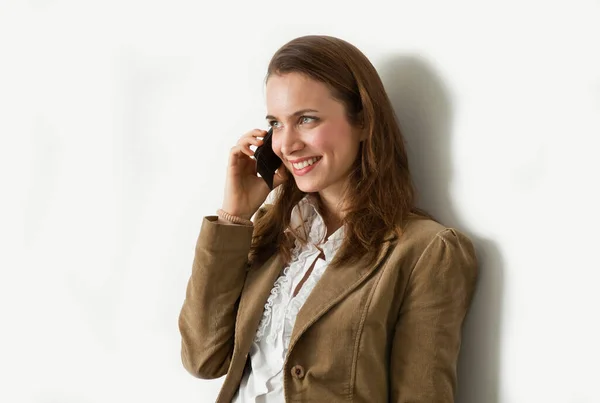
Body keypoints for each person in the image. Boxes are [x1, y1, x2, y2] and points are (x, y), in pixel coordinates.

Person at [178, 35, 478, 403]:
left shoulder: (426, 252)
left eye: (306, 119)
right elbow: (202, 358)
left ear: (364, 121)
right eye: (276, 122)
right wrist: (235, 216)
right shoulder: (275, 229)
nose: (286, 145)